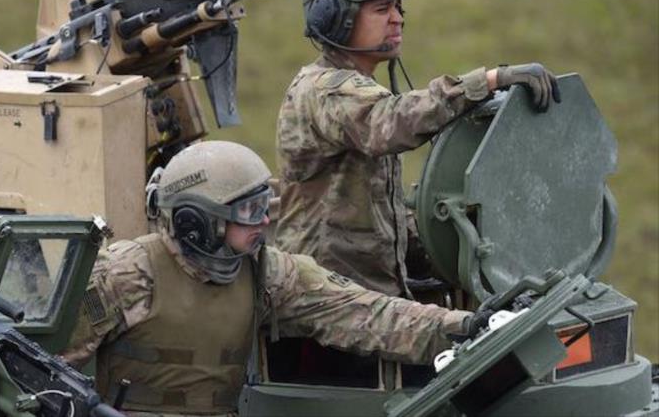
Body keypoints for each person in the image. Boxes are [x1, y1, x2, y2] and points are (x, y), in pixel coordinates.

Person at [63, 140, 483, 416]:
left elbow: (362, 314)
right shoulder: (124, 274)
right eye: (248, 211)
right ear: (197, 221)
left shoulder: (266, 272)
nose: (264, 219)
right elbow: (36, 370)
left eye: (264, 203)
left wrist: (462, 327)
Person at [274, 0, 561, 298]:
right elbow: (388, 122)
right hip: (326, 306)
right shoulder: (322, 90)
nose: (397, 19)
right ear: (335, 19)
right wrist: (486, 82)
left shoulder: (357, 87)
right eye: (381, 9)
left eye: (397, 6)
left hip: (369, 297)